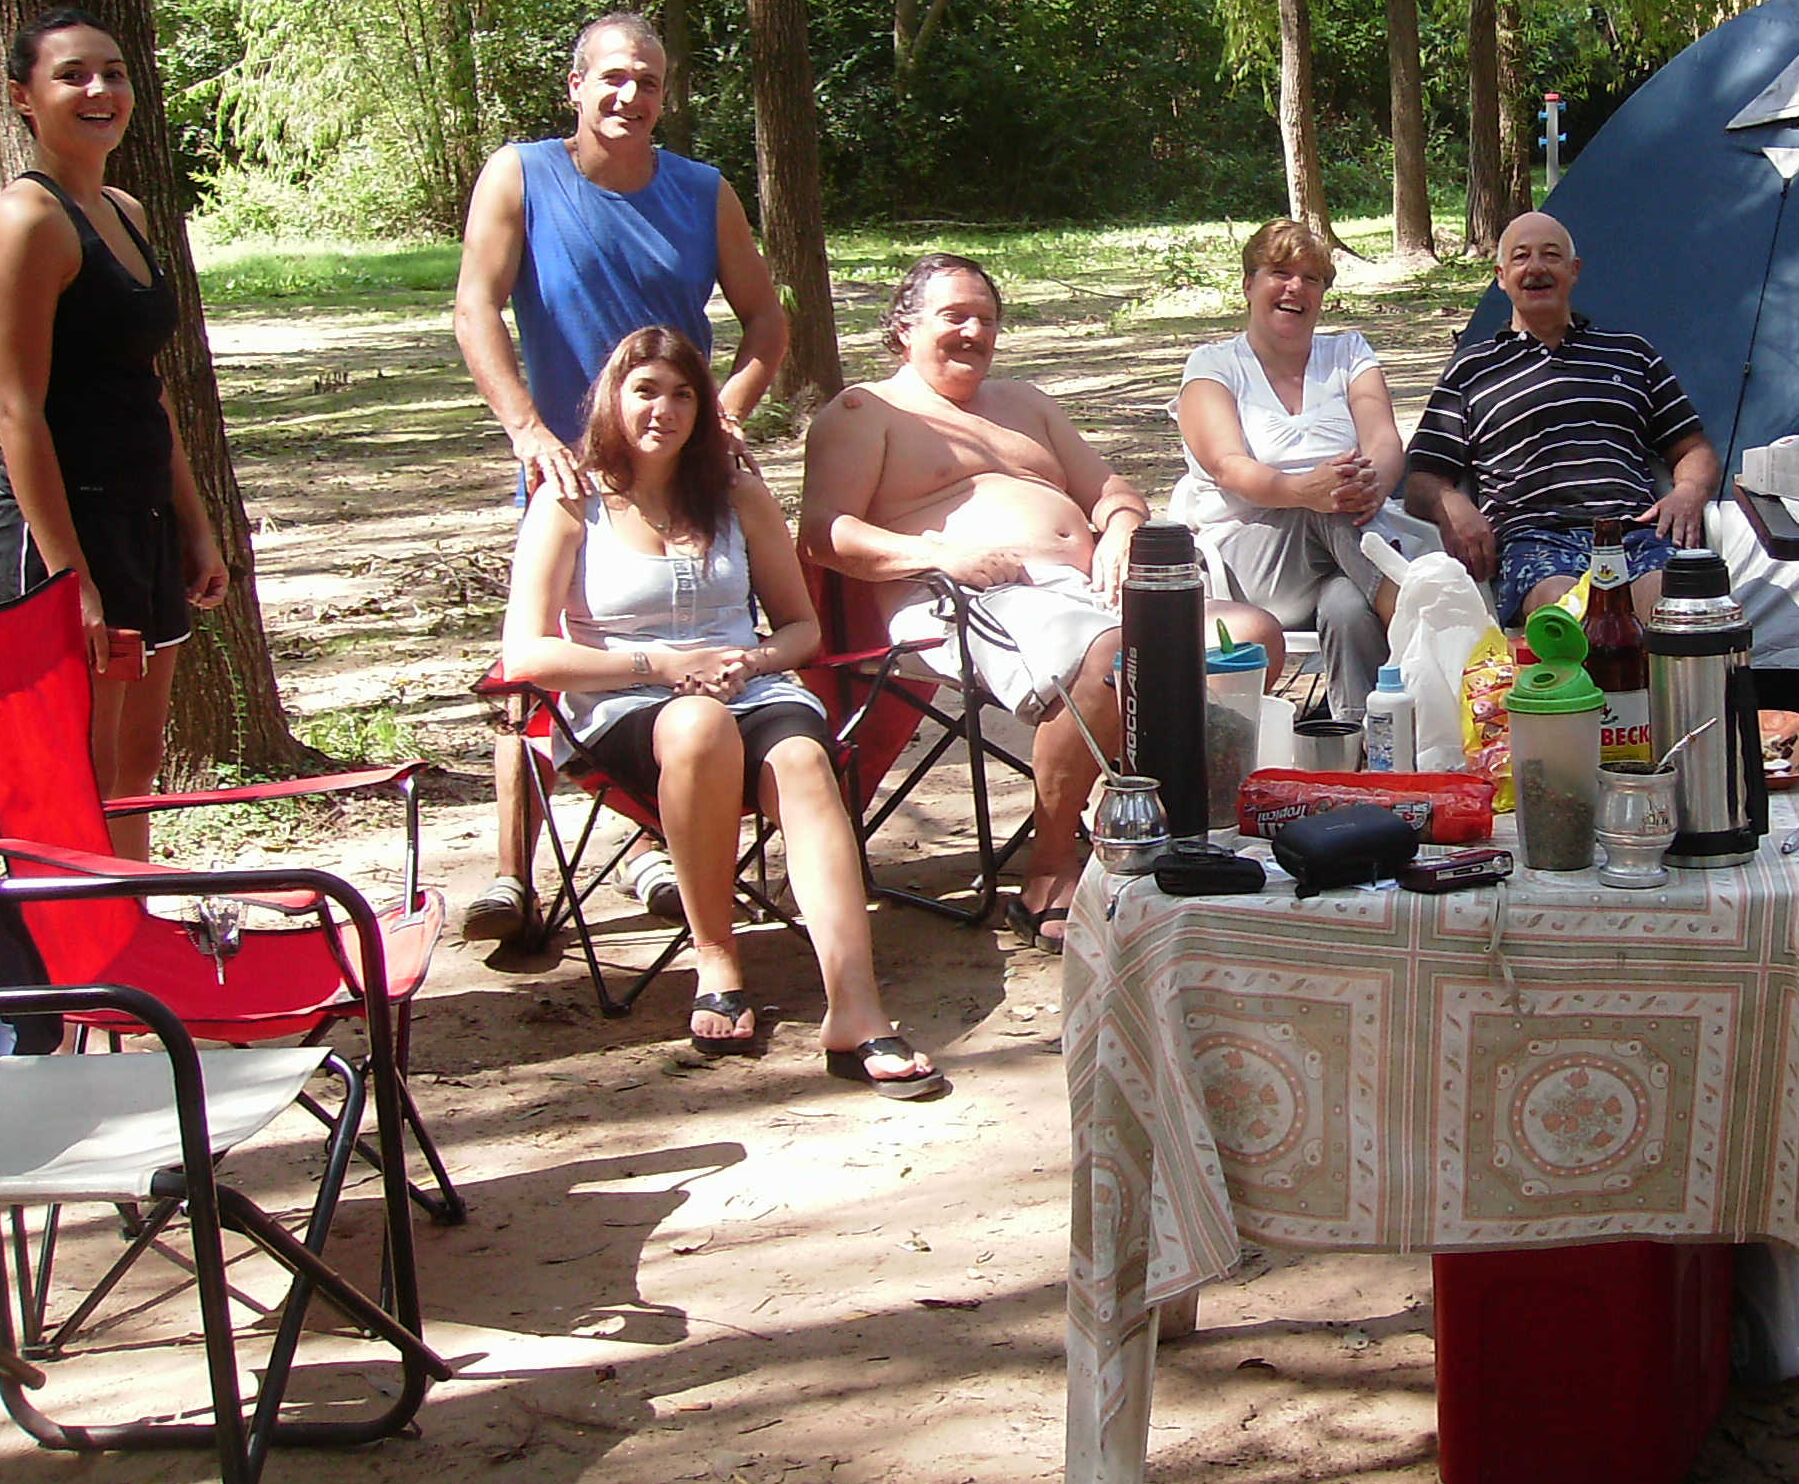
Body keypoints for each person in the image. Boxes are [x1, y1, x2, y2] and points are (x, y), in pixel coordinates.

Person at [500, 327, 941, 1094]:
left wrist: (752, 661)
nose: (664, 410)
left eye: (683, 395)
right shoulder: (570, 502)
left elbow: (800, 629)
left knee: (803, 760)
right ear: (611, 401)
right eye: (645, 391)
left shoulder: (737, 494)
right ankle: (717, 957)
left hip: (751, 690)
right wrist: (664, 665)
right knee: (696, 725)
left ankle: (856, 1006)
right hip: (622, 702)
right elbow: (528, 655)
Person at [801, 254, 1282, 954]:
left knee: (1251, 634)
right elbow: (825, 535)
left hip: (1085, 594)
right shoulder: (865, 411)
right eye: (954, 317)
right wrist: (942, 556)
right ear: (904, 327)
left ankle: (1169, 821)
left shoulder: (1025, 404)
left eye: (986, 320)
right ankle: (1051, 867)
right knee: (1113, 656)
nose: (974, 332)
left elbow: (1111, 489)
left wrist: (1120, 530)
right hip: (962, 597)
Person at [455, 13, 788, 945]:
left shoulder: (702, 191)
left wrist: (726, 413)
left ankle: (659, 850)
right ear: (576, 86)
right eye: (611, 77)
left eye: (646, 81)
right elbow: (476, 306)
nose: (628, 95)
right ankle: (512, 877)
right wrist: (527, 429)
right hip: (569, 470)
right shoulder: (522, 175)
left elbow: (767, 321)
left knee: (684, 633)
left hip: (680, 467)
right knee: (537, 659)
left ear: (664, 95)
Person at [0, 8, 230, 854]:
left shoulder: (125, 211)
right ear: (23, 97)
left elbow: (145, 386)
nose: (100, 90)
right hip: (66, 526)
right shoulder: (25, 219)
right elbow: (17, 409)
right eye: (73, 75)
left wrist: (194, 525)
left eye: (113, 73)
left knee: (136, 763)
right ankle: (66, 936)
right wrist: (68, 580)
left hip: (141, 517)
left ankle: (132, 921)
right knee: (77, 772)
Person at [1403, 211, 1721, 625]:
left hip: (1637, 530)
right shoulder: (1471, 371)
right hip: (1533, 539)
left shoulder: (1632, 355)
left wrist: (1690, 490)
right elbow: (1421, 480)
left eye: (1551, 255)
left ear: (1574, 271)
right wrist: (1452, 504)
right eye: (1521, 257)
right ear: (1501, 277)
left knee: (1670, 610)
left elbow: (1693, 449)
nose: (1536, 267)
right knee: (1565, 616)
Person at [1172, 219, 1407, 719]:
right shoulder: (1213, 366)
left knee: (1346, 605)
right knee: (1333, 502)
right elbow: (1229, 467)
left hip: (1346, 553)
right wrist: (1305, 491)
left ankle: (1359, 739)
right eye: (1279, 273)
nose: (1295, 287)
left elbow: (1385, 442)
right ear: (1248, 285)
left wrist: (1374, 484)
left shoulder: (1348, 353)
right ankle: (1418, 620)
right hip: (1253, 561)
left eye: (1311, 278)